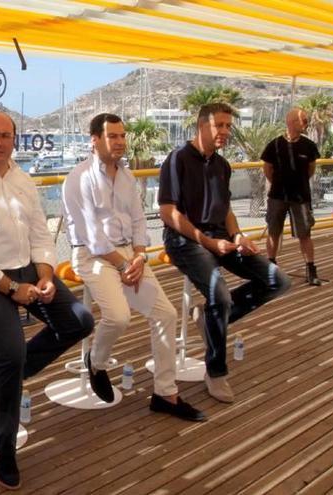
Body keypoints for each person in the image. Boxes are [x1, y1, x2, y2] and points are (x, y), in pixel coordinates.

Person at [0, 111, 94, 490]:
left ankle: (12, 370)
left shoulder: (24, 180)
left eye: (4, 135)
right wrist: (11, 289)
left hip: (25, 268)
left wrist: (44, 275)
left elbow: (42, 235)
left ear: (15, 139)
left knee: (80, 321)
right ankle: (3, 445)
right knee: (11, 350)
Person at [62, 113, 206, 421]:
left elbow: (140, 222)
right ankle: (96, 362)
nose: (119, 142)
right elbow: (92, 236)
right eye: (112, 136)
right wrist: (126, 263)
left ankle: (165, 394)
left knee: (166, 314)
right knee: (118, 317)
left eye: (122, 136)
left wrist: (140, 257)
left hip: (130, 256)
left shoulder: (127, 177)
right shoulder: (79, 178)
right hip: (93, 256)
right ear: (94, 140)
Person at [158, 103, 291, 404]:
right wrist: (206, 241)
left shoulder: (222, 165)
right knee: (221, 295)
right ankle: (216, 372)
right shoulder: (177, 159)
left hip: (220, 237)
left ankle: (208, 318)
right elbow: (167, 211)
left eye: (229, 126)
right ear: (201, 125)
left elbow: (227, 209)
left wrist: (238, 235)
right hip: (185, 240)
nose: (226, 132)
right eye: (220, 125)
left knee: (278, 281)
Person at [261, 107, 322, 285]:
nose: (306, 123)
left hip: (301, 197)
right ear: (291, 122)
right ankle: (271, 269)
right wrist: (281, 184)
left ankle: (311, 270)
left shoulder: (309, 146)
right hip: (277, 196)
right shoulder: (274, 145)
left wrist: (298, 183)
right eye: (303, 120)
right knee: (273, 232)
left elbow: (311, 170)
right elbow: (267, 170)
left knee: (305, 234)